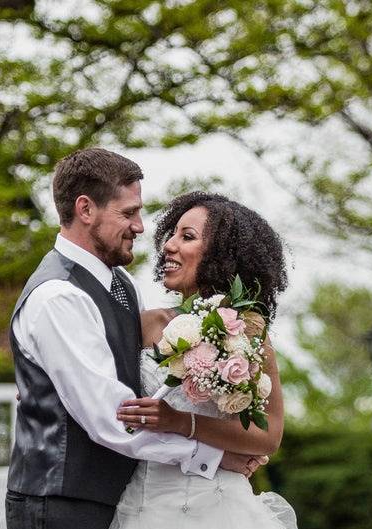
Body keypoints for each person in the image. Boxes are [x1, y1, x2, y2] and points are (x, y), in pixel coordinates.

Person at [5, 149, 264, 529]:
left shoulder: (121, 285)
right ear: (85, 209)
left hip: (110, 500)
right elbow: (111, 419)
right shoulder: (58, 296)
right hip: (59, 504)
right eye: (128, 213)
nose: (141, 227)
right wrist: (213, 456)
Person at [110, 191, 297, 529]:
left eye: (187, 236)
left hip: (221, 508)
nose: (168, 245)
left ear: (220, 254)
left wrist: (181, 422)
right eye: (172, 233)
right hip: (146, 505)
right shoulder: (146, 324)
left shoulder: (250, 333)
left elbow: (268, 435)